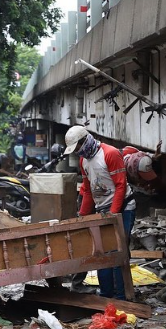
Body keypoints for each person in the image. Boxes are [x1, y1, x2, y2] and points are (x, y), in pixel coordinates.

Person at [63, 125, 135, 300]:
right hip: (102, 209)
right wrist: (82, 215)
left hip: (123, 208)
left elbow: (120, 185)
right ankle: (106, 295)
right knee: (102, 255)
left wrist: (113, 214)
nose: (77, 152)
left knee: (117, 253)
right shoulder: (84, 161)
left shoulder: (110, 153)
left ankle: (121, 297)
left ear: (84, 141)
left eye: (77, 148)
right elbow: (87, 190)